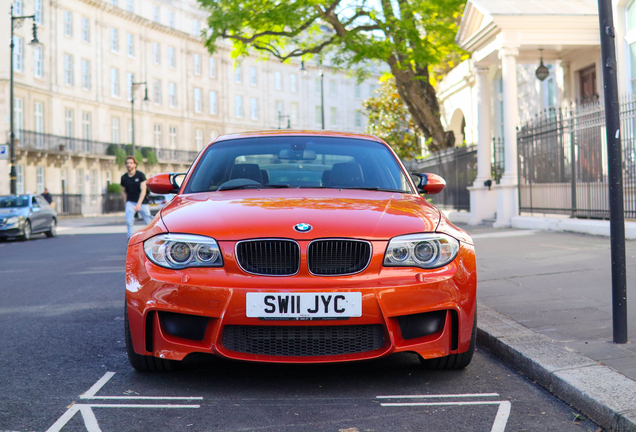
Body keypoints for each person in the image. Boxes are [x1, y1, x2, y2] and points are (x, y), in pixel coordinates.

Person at [120, 156, 153, 239]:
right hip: (130, 201)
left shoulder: (140, 175)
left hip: (142, 202)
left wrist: (139, 204)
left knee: (148, 222)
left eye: (131, 163)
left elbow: (143, 190)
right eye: (127, 163)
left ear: (135, 164)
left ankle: (152, 237)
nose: (129, 165)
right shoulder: (124, 178)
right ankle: (130, 239)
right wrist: (126, 202)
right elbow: (123, 191)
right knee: (129, 221)